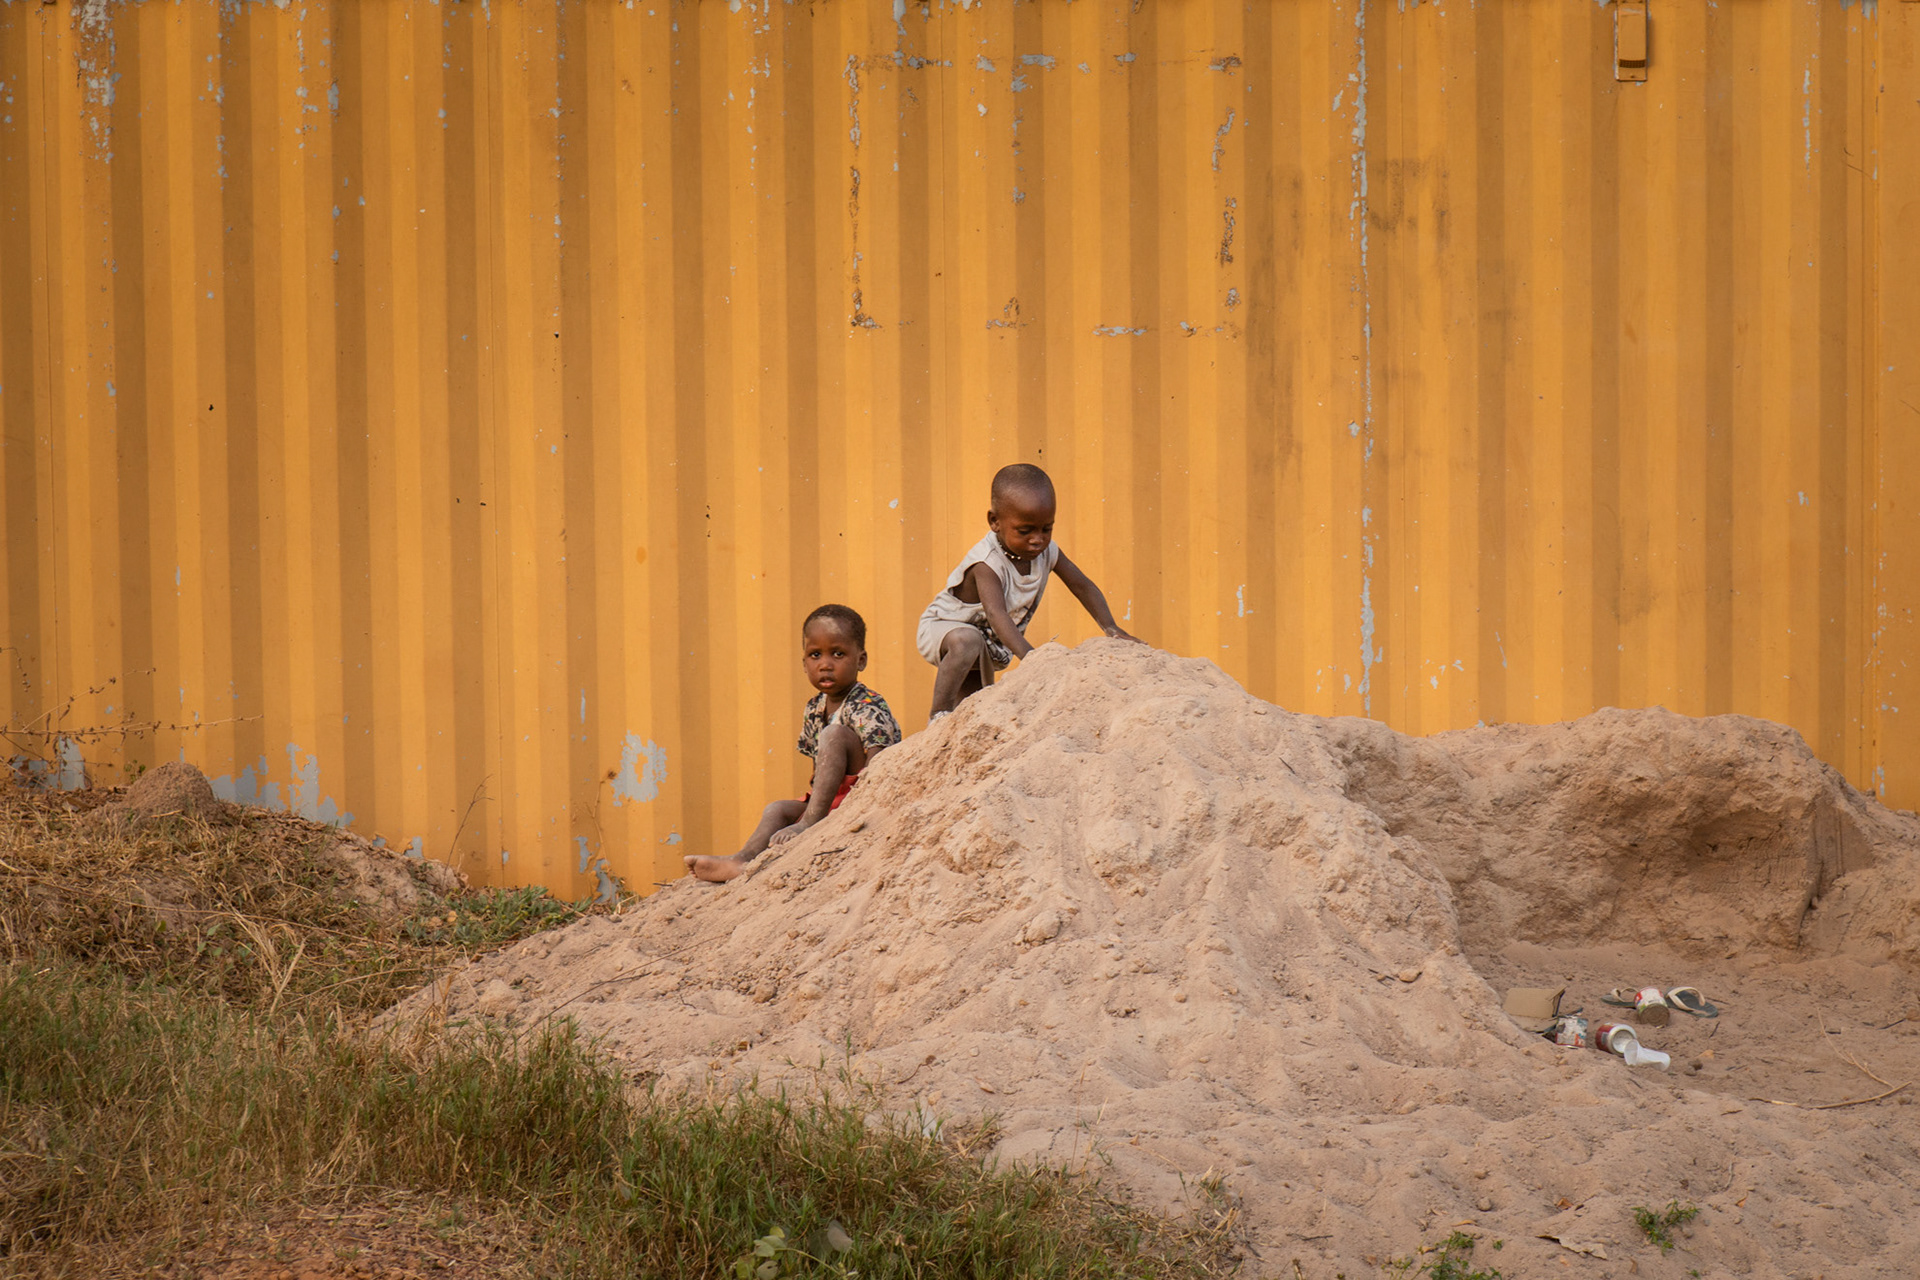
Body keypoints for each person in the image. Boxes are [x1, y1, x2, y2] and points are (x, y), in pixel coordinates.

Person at [684, 604, 902, 883]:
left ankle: (810, 823)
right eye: (815, 655)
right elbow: (820, 768)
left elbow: (881, 762)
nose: (825, 664)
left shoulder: (866, 703)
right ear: (804, 664)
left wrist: (849, 810)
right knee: (777, 809)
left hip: (861, 796)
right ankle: (742, 860)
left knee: (833, 735)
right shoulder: (814, 708)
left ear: (860, 660)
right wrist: (816, 805)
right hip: (830, 800)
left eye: (838, 654)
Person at [916, 463, 1139, 720]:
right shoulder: (986, 563)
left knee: (974, 708)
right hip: (946, 628)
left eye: (1046, 528)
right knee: (967, 642)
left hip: (989, 642)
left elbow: (1082, 585)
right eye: (1025, 531)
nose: (1038, 539)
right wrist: (1033, 659)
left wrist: (1111, 627)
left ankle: (952, 726)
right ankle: (938, 714)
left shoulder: (1047, 552)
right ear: (994, 521)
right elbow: (996, 614)